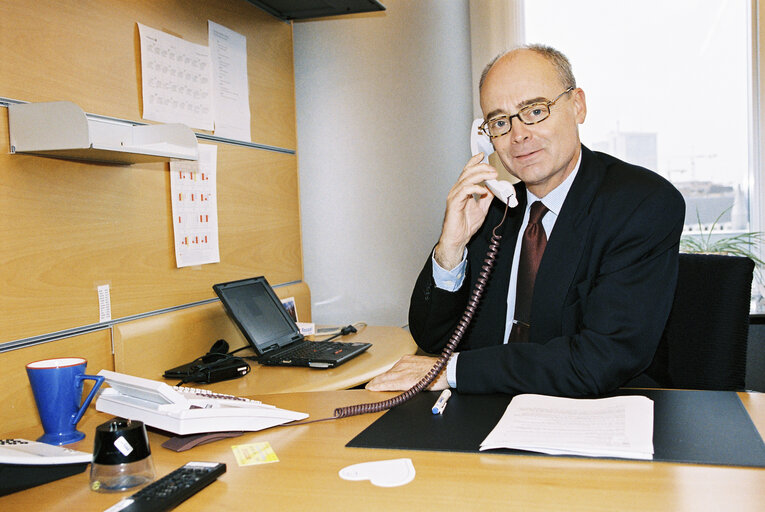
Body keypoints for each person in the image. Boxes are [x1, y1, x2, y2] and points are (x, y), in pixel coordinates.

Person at [366, 44, 685, 397]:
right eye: (500, 122)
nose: (518, 135)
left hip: (595, 413)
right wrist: (451, 248)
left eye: (534, 110)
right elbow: (432, 337)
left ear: (577, 105)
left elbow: (601, 360)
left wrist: (454, 370)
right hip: (481, 412)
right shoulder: (494, 210)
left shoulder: (640, 204)